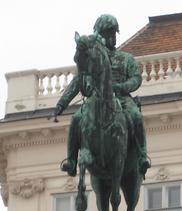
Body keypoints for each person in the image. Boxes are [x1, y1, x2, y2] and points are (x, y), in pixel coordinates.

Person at [54, 14, 150, 176]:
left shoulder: (125, 58)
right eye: (108, 33)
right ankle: (71, 160)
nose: (112, 37)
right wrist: (61, 104)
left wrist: (121, 87)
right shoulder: (91, 57)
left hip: (122, 98)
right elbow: (77, 81)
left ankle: (142, 156)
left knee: (135, 116)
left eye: (113, 33)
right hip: (96, 98)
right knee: (77, 119)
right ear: (100, 34)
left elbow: (136, 79)